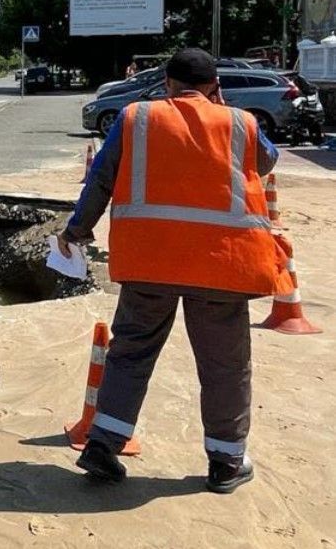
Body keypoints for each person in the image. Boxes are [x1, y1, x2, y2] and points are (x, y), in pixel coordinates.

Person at [58, 48, 293, 493]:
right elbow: (266, 161)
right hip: (222, 266)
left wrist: (77, 230)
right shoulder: (240, 123)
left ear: (166, 83)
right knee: (225, 365)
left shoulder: (134, 119)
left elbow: (100, 180)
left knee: (130, 353)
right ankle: (225, 463)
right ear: (214, 87)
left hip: (150, 261)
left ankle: (103, 443)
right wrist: (219, 112)